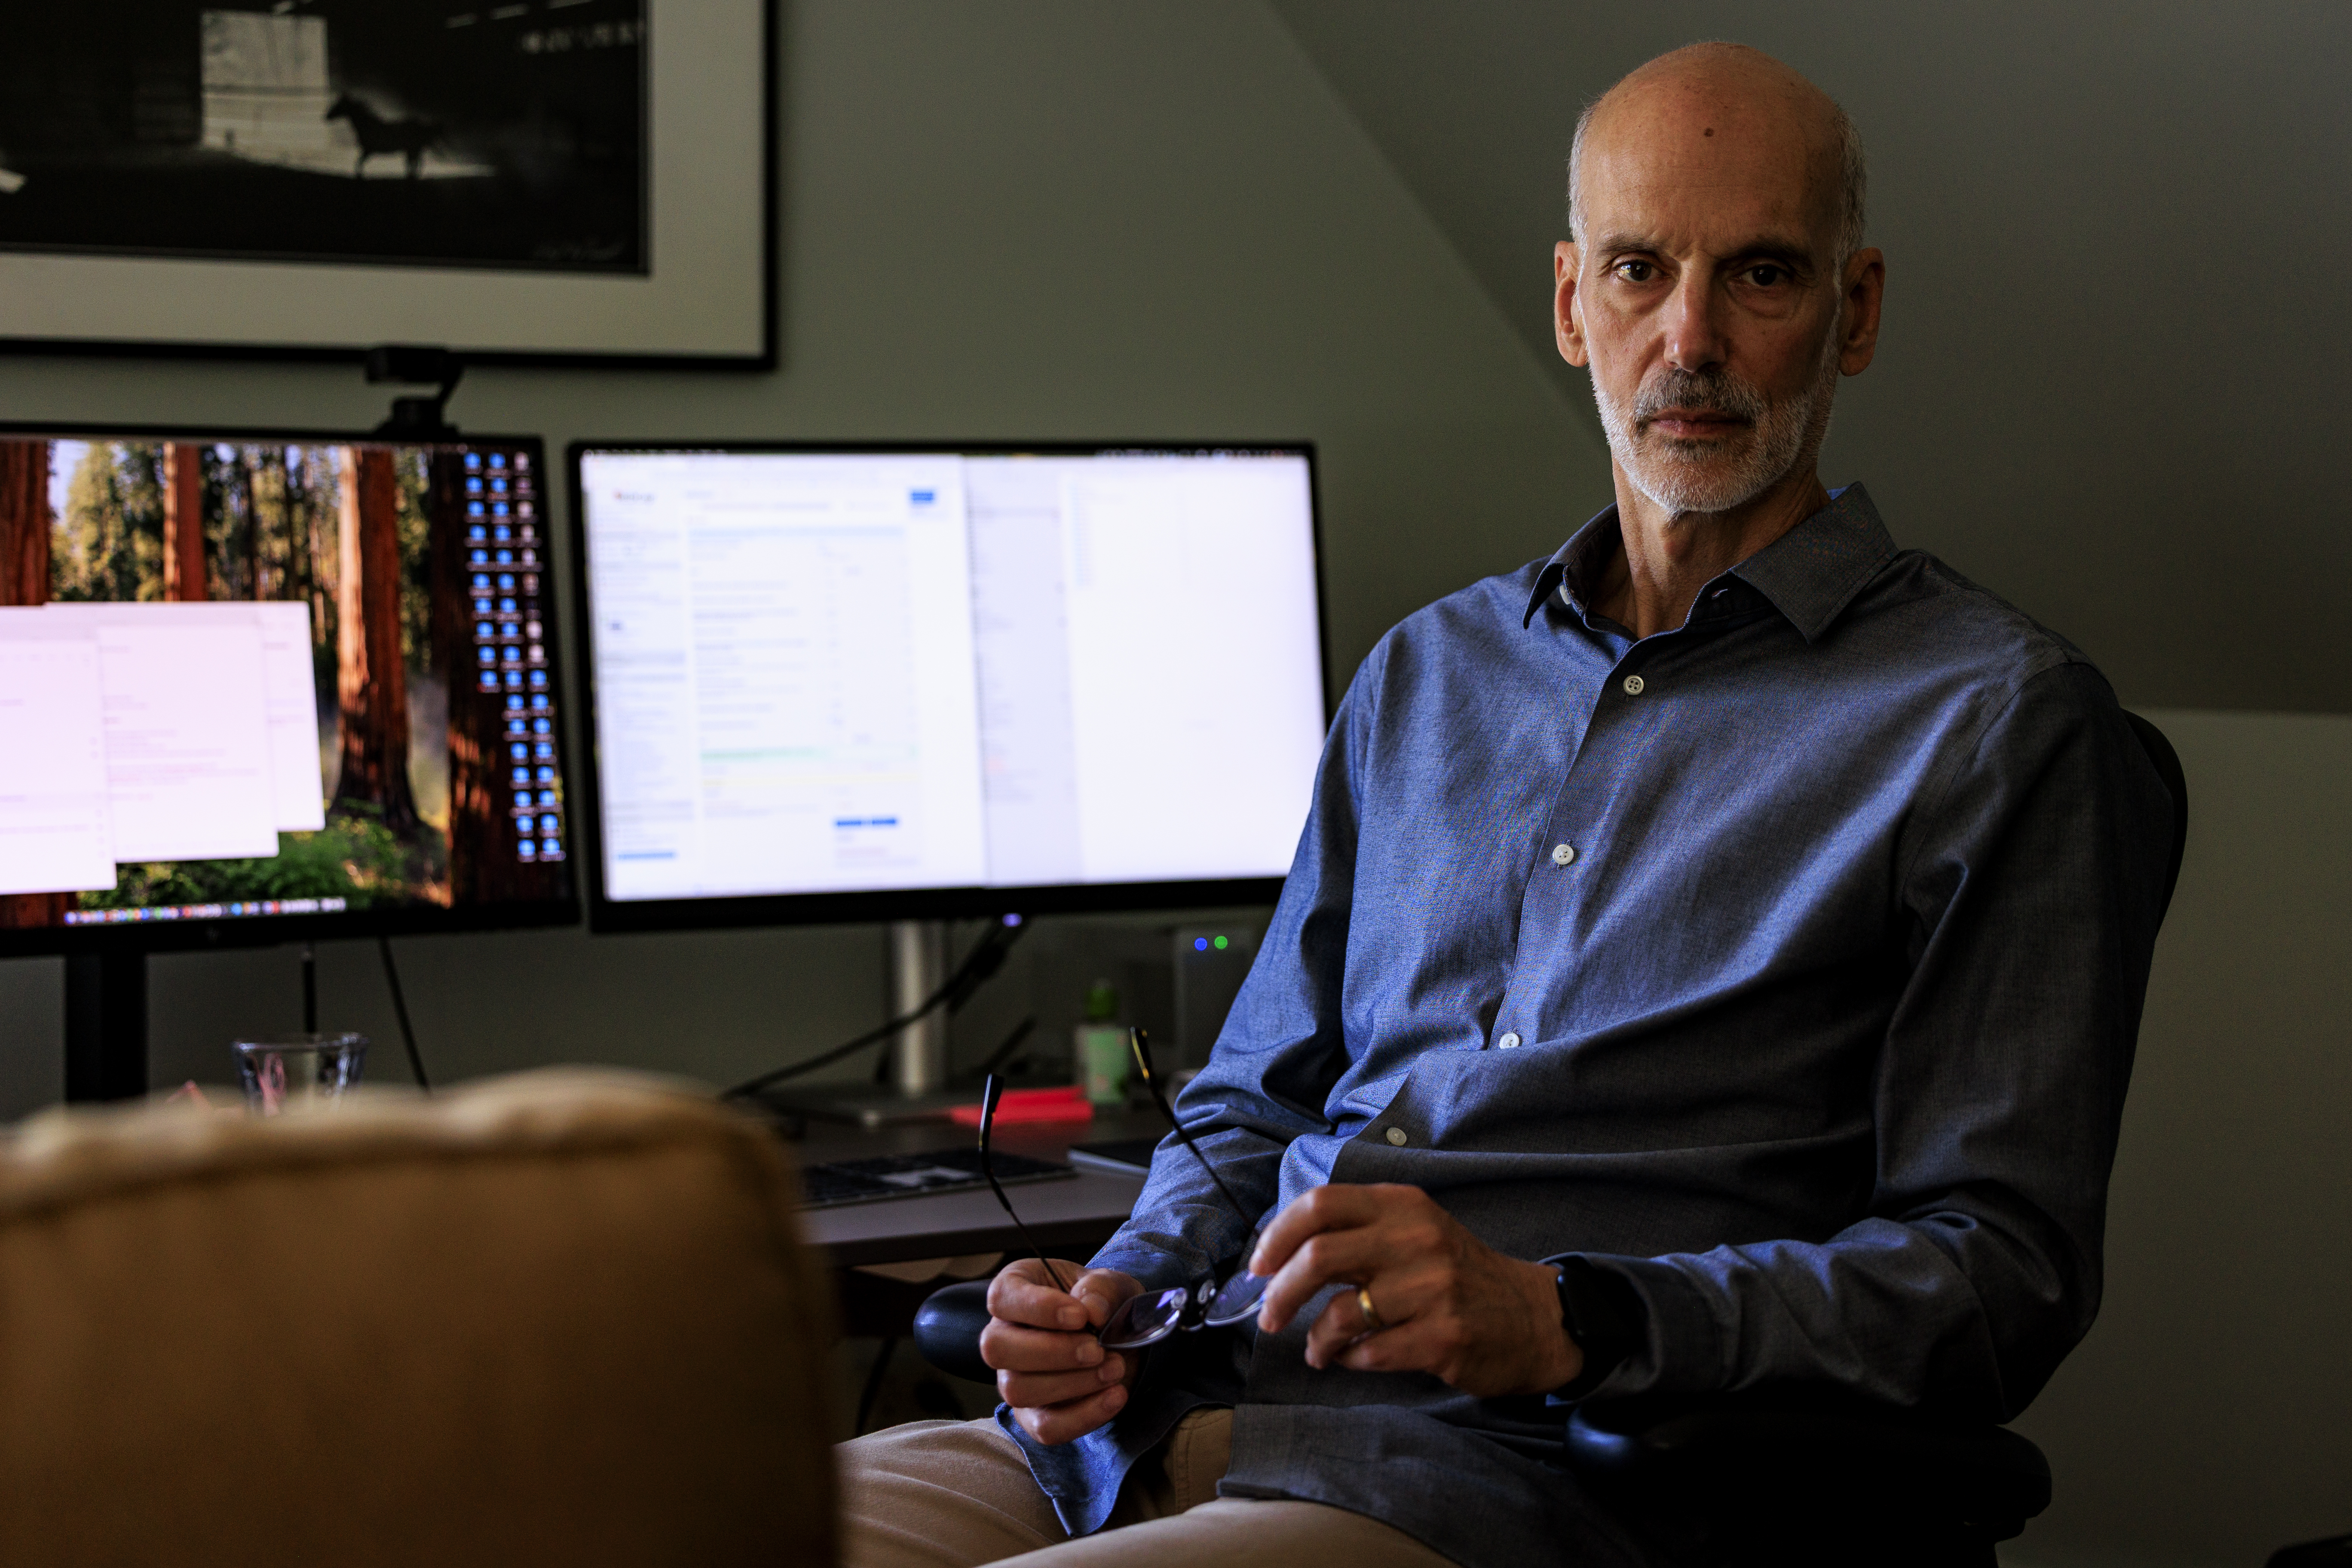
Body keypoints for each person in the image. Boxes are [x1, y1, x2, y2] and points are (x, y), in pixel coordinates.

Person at [839, 40, 2173, 1568]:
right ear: (1567, 303)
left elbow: (1994, 1281)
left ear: (1852, 313)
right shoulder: (1428, 671)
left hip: (1544, 1485)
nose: (1689, 341)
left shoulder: (1996, 724)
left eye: (1759, 276)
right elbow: (1254, 1100)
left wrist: (1567, 1316)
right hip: (1163, 1414)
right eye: (1636, 270)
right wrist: (1119, 1287)